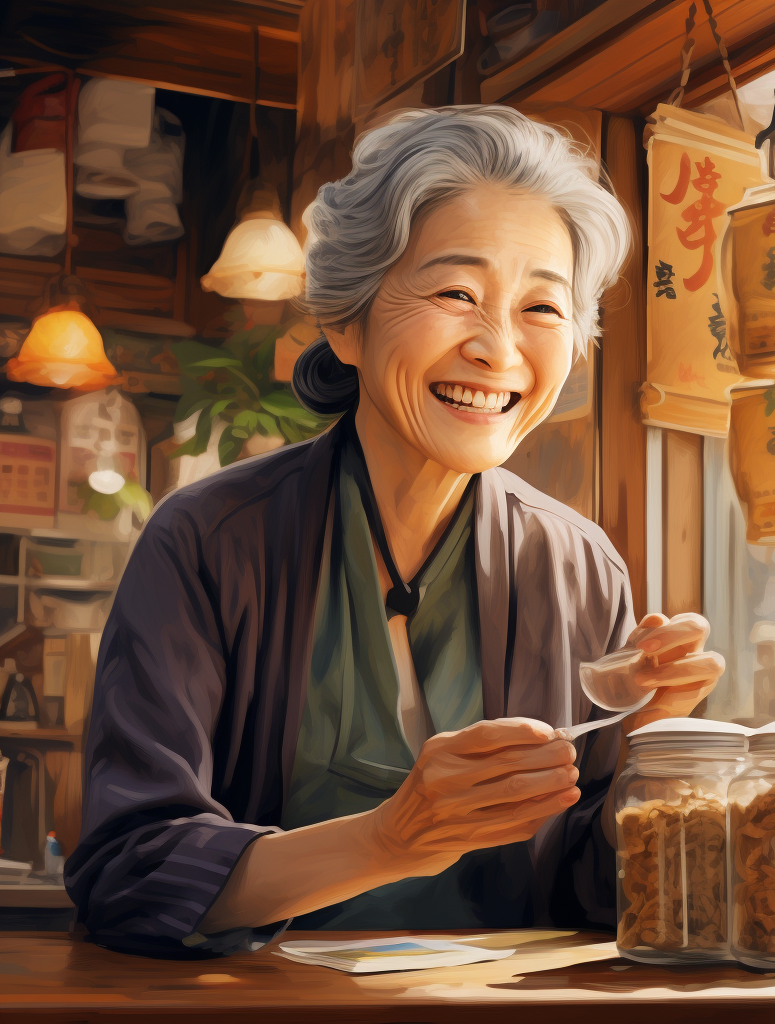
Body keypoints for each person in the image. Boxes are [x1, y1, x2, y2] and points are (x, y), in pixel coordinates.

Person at [66, 106, 725, 957]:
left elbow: (595, 893)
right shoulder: (210, 539)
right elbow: (130, 872)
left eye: (542, 308)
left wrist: (651, 744)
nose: (498, 348)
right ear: (346, 320)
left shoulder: (579, 566)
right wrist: (388, 840)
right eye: (456, 293)